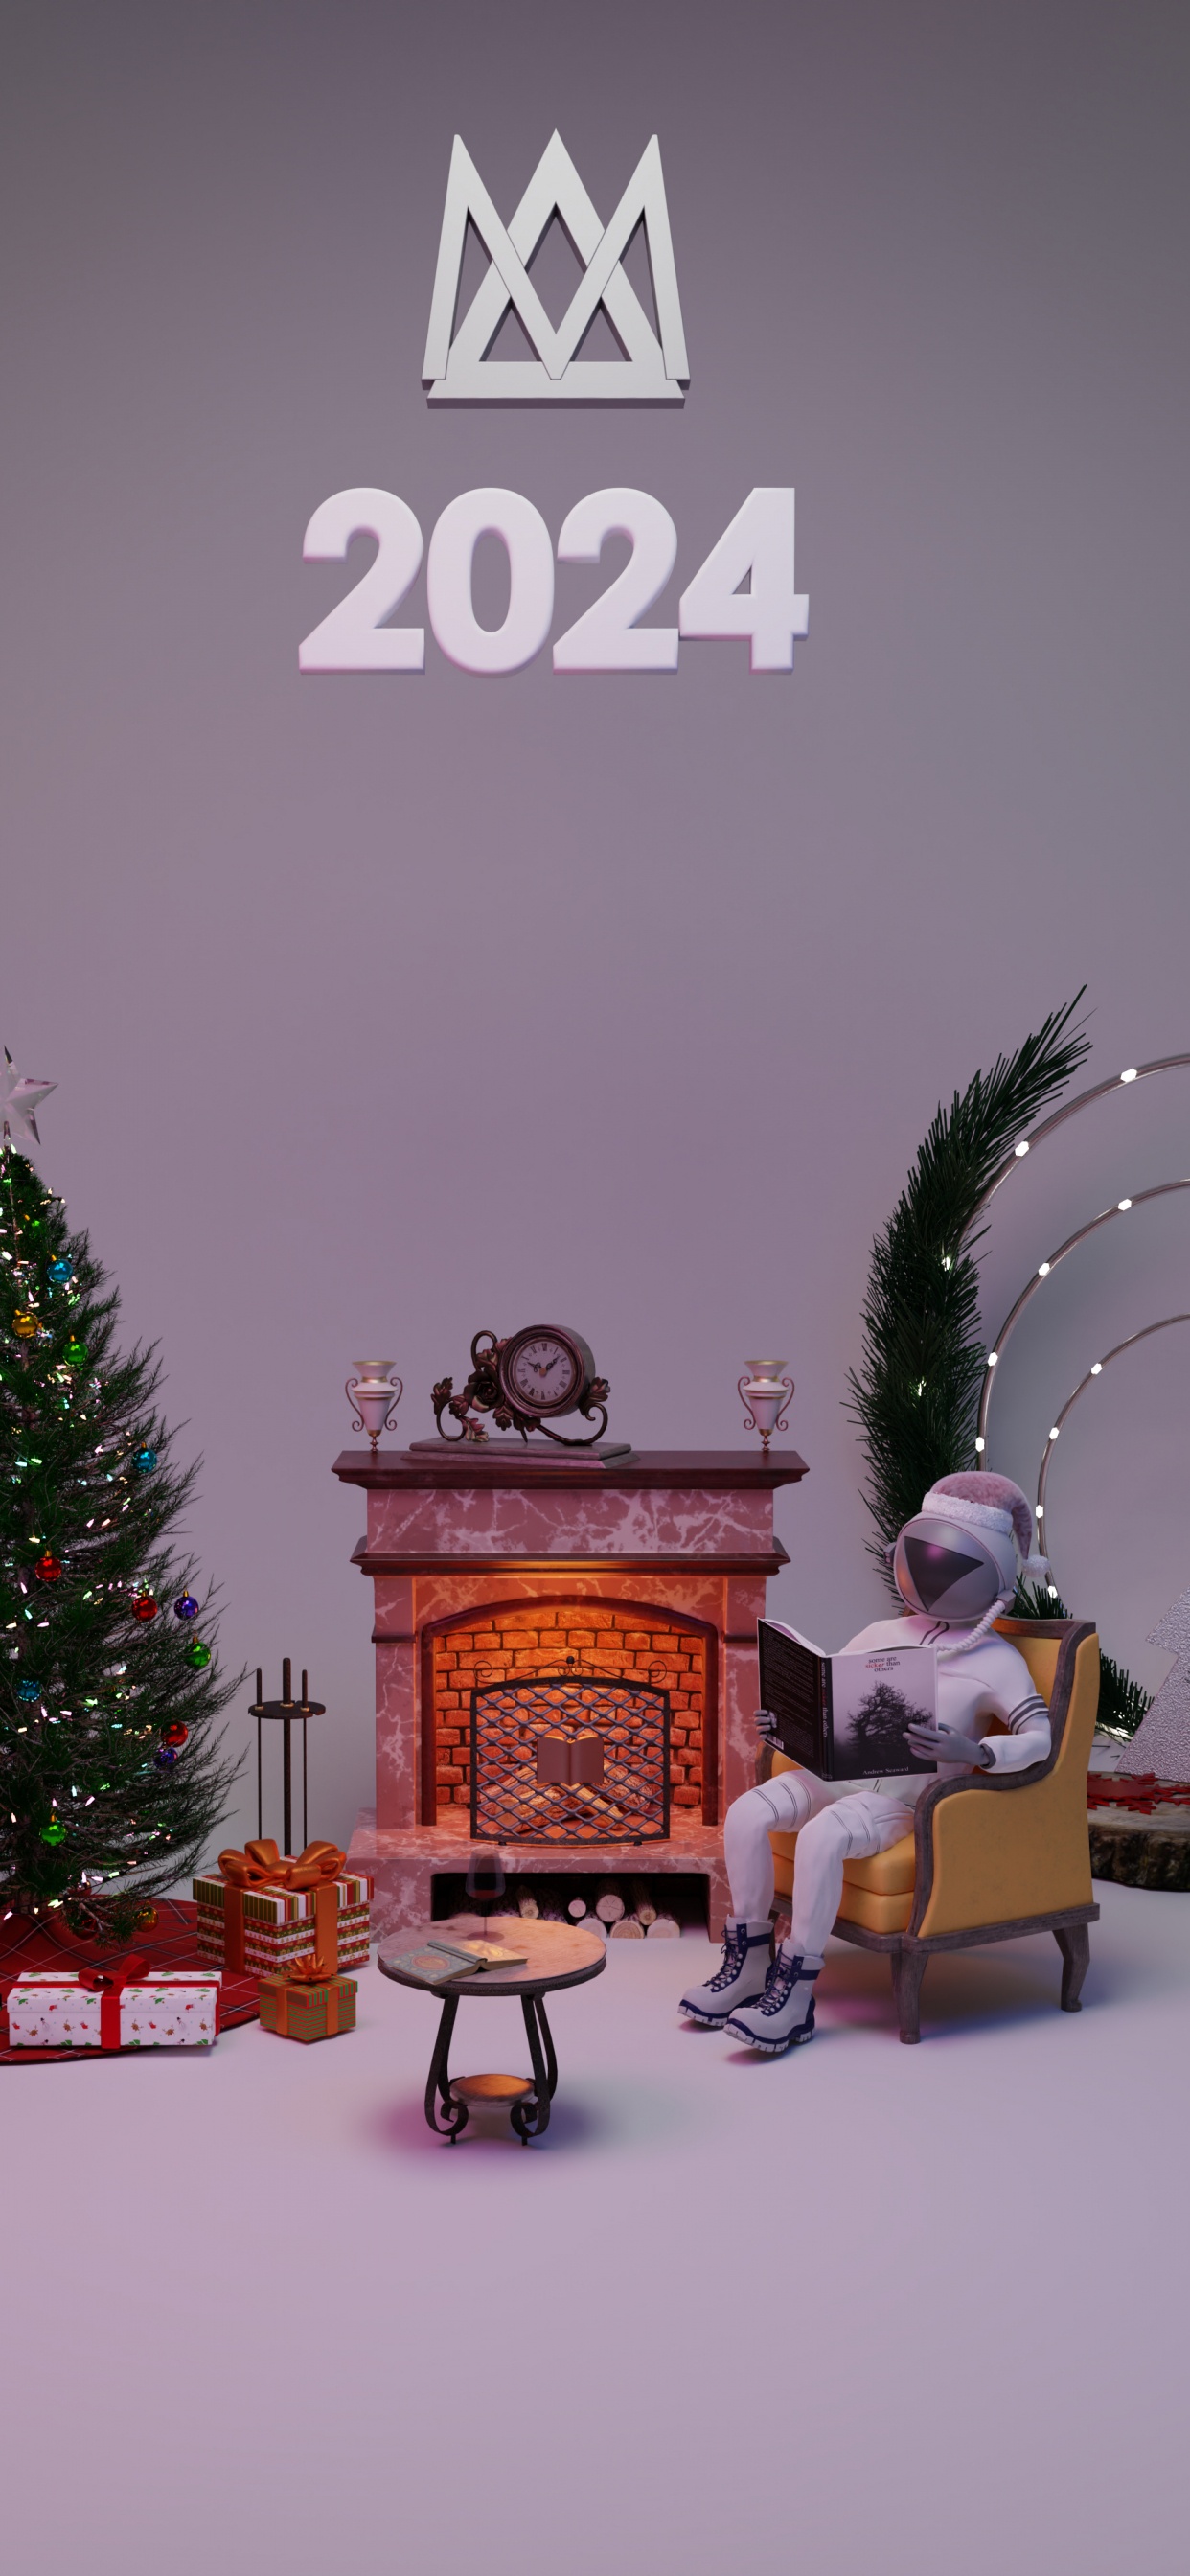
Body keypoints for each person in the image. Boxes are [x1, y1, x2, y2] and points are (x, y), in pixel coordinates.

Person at [680, 1473, 1053, 2054]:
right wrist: (789, 1724)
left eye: (951, 1565)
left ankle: (795, 1993)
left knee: (824, 1834)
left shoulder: (998, 1661)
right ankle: (749, 1964)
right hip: (840, 1778)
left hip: (904, 1802)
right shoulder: (880, 1632)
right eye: (921, 1558)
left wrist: (975, 1752)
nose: (930, 1575)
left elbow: (1040, 1740)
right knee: (748, 1812)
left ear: (995, 1575)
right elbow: (834, 1699)